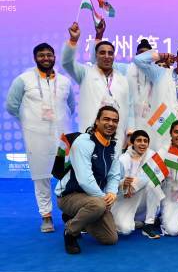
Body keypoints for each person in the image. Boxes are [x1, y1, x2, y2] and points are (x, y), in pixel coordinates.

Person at [5, 43, 75, 233]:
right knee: (41, 177)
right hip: (36, 136)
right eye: (41, 55)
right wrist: (28, 122)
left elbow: (71, 106)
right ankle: (46, 216)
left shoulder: (64, 81)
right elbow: (12, 105)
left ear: (54, 57)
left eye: (49, 55)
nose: (46, 58)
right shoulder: (23, 80)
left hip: (61, 136)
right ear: (35, 58)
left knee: (67, 176)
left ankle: (68, 213)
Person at [55, 106, 121, 254]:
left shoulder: (113, 146)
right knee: (97, 205)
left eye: (115, 121)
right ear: (97, 121)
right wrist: (104, 199)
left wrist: (111, 193)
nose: (111, 123)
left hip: (93, 198)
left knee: (110, 238)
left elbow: (114, 175)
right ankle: (70, 232)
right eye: (106, 119)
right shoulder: (83, 142)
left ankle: (73, 217)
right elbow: (85, 180)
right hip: (69, 195)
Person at [62, 22, 132, 150]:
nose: (107, 56)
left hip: (117, 138)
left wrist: (129, 133)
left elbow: (129, 108)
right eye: (102, 53)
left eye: (110, 53)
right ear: (96, 55)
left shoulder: (123, 79)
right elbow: (67, 63)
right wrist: (73, 40)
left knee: (114, 169)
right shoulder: (85, 73)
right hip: (90, 135)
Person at [134, 45, 178, 150]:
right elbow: (138, 60)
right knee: (160, 160)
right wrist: (161, 56)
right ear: (176, 59)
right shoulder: (161, 73)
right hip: (162, 126)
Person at [111, 130, 162, 238]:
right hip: (125, 198)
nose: (142, 143)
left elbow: (157, 176)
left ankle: (149, 224)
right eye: (139, 140)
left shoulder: (153, 155)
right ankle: (134, 221)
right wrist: (124, 185)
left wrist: (133, 185)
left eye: (145, 141)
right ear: (132, 142)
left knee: (153, 183)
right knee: (125, 230)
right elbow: (112, 185)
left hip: (142, 198)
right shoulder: (123, 159)